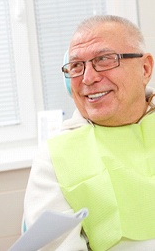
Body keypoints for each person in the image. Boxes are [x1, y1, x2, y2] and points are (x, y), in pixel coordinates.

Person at [24, 15, 155, 250]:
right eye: (76, 66)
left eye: (104, 59)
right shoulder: (56, 157)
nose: (88, 78)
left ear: (145, 69)